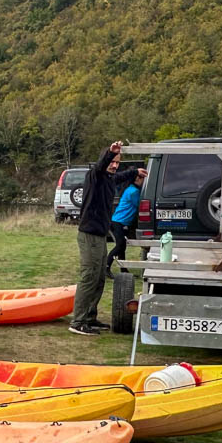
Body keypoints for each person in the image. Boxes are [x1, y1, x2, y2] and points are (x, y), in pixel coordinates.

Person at [70, 142, 138, 335]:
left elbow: (118, 177)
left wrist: (135, 172)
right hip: (89, 234)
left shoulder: (108, 179)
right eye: (112, 161)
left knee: (99, 278)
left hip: (100, 236)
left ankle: (90, 317)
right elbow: (101, 166)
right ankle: (78, 321)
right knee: (89, 277)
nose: (115, 165)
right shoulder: (94, 175)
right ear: (105, 159)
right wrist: (110, 152)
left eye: (118, 162)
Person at [106, 167, 147, 276]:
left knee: (122, 246)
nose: (144, 181)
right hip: (118, 222)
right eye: (143, 178)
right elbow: (139, 206)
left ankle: (123, 270)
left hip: (120, 222)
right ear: (137, 179)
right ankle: (106, 267)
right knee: (120, 245)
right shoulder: (133, 192)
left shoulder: (131, 189)